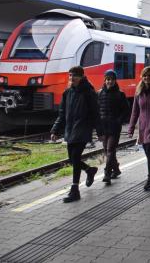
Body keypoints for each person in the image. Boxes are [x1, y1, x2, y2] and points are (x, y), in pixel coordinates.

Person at [51, 66, 99, 203]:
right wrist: (55, 130)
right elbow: (62, 114)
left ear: (82, 77)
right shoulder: (67, 93)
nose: (72, 78)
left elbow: (95, 114)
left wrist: (100, 132)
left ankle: (75, 190)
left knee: (76, 156)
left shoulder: (88, 92)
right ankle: (89, 170)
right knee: (72, 160)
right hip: (70, 130)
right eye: (70, 76)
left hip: (83, 129)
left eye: (75, 76)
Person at [97, 70, 130, 185]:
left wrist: (119, 121)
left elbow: (126, 110)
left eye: (111, 79)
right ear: (104, 80)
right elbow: (96, 111)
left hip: (114, 127)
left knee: (110, 150)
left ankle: (107, 173)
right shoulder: (99, 93)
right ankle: (116, 169)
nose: (109, 81)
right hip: (103, 127)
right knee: (106, 150)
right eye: (107, 79)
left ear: (115, 80)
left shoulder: (120, 94)